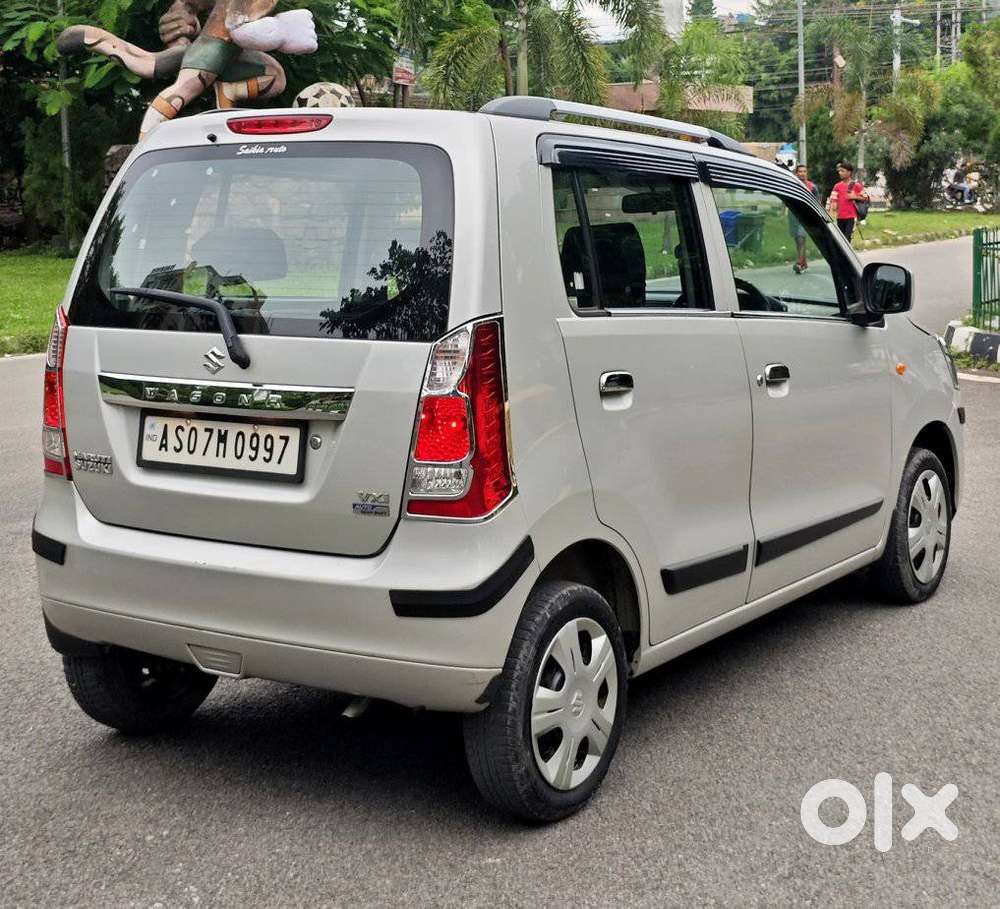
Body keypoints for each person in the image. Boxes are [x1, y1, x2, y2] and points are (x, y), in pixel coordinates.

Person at [790, 164, 820, 273]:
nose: (802, 173)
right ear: (796, 173)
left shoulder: (812, 187)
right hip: (793, 216)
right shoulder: (792, 185)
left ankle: (799, 263)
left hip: (806, 217)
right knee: (798, 241)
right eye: (800, 171)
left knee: (801, 238)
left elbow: (817, 203)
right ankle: (804, 263)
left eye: (804, 171)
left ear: (807, 173)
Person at [829, 162, 869, 242]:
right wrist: (833, 205)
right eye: (839, 171)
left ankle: (847, 254)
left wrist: (855, 196)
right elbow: (833, 200)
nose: (840, 173)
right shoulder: (837, 186)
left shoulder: (856, 185)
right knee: (841, 241)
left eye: (842, 171)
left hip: (852, 217)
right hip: (840, 217)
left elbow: (866, 198)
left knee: (847, 239)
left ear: (849, 172)